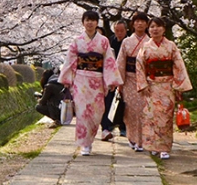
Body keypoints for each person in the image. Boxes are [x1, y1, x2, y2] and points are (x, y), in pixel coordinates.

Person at [59, 10, 123, 156]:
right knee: (82, 112)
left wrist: (111, 80)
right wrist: (67, 80)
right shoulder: (76, 41)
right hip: (81, 79)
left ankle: (90, 139)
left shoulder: (103, 41)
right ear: (83, 22)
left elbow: (108, 61)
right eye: (87, 20)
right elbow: (70, 61)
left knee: (96, 112)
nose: (90, 23)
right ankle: (84, 144)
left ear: (97, 22)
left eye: (93, 20)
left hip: (97, 79)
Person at [136, 17, 192, 160]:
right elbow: (140, 67)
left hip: (167, 85)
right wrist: (142, 85)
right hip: (151, 85)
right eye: (152, 27)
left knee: (165, 117)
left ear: (164, 29)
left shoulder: (171, 46)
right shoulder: (145, 47)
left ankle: (165, 147)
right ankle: (153, 146)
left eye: (158, 26)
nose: (155, 29)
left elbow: (178, 65)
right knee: (150, 116)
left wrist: (178, 86)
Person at [116, 12, 150, 152]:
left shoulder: (150, 42)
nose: (140, 24)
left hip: (146, 80)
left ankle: (142, 140)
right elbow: (121, 63)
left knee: (144, 110)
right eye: (137, 21)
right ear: (133, 24)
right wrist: (119, 83)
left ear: (146, 24)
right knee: (130, 110)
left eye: (143, 21)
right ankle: (132, 138)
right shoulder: (126, 42)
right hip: (129, 79)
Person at [101, 20, 129, 140]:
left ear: (126, 30)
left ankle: (124, 127)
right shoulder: (110, 41)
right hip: (111, 75)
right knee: (108, 101)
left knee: (124, 103)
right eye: (117, 30)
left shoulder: (129, 42)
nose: (119, 33)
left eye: (121, 30)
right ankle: (106, 127)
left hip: (127, 75)